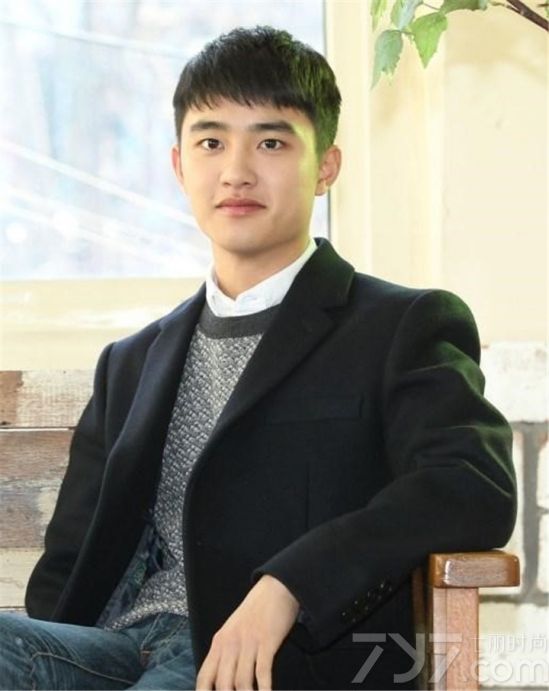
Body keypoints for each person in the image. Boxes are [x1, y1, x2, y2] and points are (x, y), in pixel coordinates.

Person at [0, 25, 516, 691]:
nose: (236, 170)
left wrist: (290, 584)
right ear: (179, 165)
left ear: (325, 166)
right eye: (211, 142)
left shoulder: (400, 326)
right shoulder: (129, 363)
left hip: (270, 663)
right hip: (110, 653)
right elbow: (65, 570)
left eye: (271, 142)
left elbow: (471, 486)